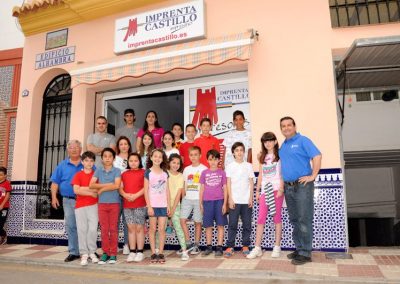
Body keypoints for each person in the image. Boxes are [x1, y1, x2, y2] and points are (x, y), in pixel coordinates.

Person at [279, 116, 321, 265]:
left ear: (294, 126)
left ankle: (305, 253)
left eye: (289, 125)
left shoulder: (303, 140)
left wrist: (313, 175)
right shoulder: (283, 146)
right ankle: (299, 248)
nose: (286, 128)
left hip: (302, 186)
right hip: (288, 187)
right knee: (295, 220)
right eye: (283, 126)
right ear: (281, 129)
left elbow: (317, 155)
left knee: (304, 219)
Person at [247, 132, 284, 259]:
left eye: (270, 140)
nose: (267, 143)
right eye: (265, 141)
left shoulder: (280, 156)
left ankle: (277, 246)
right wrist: (257, 191)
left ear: (275, 141)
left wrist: (281, 188)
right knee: (261, 218)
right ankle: (257, 248)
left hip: (276, 190)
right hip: (265, 191)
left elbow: (282, 173)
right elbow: (261, 175)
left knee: (276, 218)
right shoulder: (262, 157)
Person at [50, 140, 84, 262]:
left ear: (81, 149)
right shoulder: (62, 165)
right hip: (68, 200)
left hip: (85, 200)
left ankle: (86, 251)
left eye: (76, 147)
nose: (74, 150)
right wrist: (54, 197)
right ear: (68, 150)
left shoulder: (87, 163)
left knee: (85, 226)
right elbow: (55, 182)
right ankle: (74, 252)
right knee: (71, 226)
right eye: (71, 148)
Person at [89, 148, 121, 265]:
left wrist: (101, 188)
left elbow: (117, 185)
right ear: (102, 158)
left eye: (110, 156)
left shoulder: (117, 171)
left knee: (113, 229)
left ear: (113, 158)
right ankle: (105, 253)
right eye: (105, 156)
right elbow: (91, 185)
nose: (107, 158)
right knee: (104, 229)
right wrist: (107, 185)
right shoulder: (98, 171)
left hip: (114, 204)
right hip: (102, 204)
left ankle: (113, 254)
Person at [224, 142, 255, 257]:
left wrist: (251, 198)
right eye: (237, 150)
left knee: (247, 225)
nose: (239, 152)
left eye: (241, 150)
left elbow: (251, 182)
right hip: (234, 201)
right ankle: (230, 246)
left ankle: (245, 245)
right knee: (232, 224)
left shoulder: (248, 166)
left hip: (246, 201)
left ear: (244, 152)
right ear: (233, 153)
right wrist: (230, 199)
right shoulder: (230, 166)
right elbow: (228, 183)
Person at [71, 151, 99, 266]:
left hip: (93, 206)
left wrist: (84, 189)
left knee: (92, 229)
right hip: (80, 206)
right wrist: (90, 191)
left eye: (91, 160)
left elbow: (97, 192)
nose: (89, 163)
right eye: (86, 160)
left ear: (94, 162)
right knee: (82, 230)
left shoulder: (96, 175)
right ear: (82, 162)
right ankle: (84, 253)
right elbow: (76, 190)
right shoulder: (78, 175)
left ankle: (92, 251)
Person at [199, 150, 227, 257]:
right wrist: (200, 203)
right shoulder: (204, 173)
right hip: (207, 202)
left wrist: (224, 203)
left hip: (219, 201)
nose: (213, 162)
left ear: (219, 160)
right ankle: (209, 246)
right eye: (211, 159)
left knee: (220, 225)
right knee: (208, 226)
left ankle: (219, 247)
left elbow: (225, 188)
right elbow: (201, 188)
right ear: (207, 160)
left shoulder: (222, 173)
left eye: (215, 159)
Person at [144, 149, 170, 264]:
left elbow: (167, 190)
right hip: (153, 205)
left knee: (162, 229)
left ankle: (161, 253)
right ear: (151, 157)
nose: (157, 158)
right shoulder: (148, 172)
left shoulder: (165, 173)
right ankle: (153, 252)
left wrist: (168, 205)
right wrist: (149, 206)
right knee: (152, 229)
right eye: (155, 156)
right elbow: (145, 191)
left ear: (162, 159)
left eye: (160, 157)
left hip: (163, 205)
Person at [180, 146, 207, 255]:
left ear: (200, 155)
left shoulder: (204, 169)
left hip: (198, 199)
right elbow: (184, 185)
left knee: (197, 222)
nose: (193, 157)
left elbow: (205, 186)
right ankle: (188, 243)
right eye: (191, 155)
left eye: (196, 154)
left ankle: (196, 245)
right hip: (187, 198)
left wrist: (202, 201)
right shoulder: (186, 169)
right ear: (189, 156)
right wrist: (183, 199)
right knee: (182, 220)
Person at [119, 153, 146, 263]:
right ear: (128, 162)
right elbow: (120, 188)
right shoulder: (124, 174)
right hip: (127, 205)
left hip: (140, 203)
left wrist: (135, 195)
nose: (133, 162)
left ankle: (140, 252)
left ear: (139, 161)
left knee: (139, 228)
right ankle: (132, 251)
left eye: (136, 160)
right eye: (131, 160)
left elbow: (146, 187)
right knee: (131, 229)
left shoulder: (144, 173)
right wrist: (125, 195)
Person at [167, 154, 190, 261]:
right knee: (160, 229)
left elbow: (179, 194)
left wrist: (172, 209)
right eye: (173, 162)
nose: (176, 165)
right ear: (169, 162)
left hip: (176, 206)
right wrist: (167, 207)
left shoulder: (181, 176)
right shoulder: (165, 174)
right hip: (163, 205)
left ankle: (184, 251)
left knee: (179, 228)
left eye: (178, 163)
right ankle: (157, 250)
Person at [113, 136, 132, 255]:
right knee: (114, 220)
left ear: (129, 145)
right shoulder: (114, 159)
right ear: (118, 146)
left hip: (129, 193)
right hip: (115, 193)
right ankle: (113, 245)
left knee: (127, 221)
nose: (124, 146)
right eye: (121, 144)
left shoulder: (133, 158)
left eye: (126, 144)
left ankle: (126, 245)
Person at [0, 167, 12, 245]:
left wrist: (2, 205)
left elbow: (7, 196)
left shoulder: (7, 183)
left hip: (4, 208)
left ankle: (4, 236)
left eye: (1, 175)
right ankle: (3, 235)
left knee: (0, 223)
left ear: (5, 175)